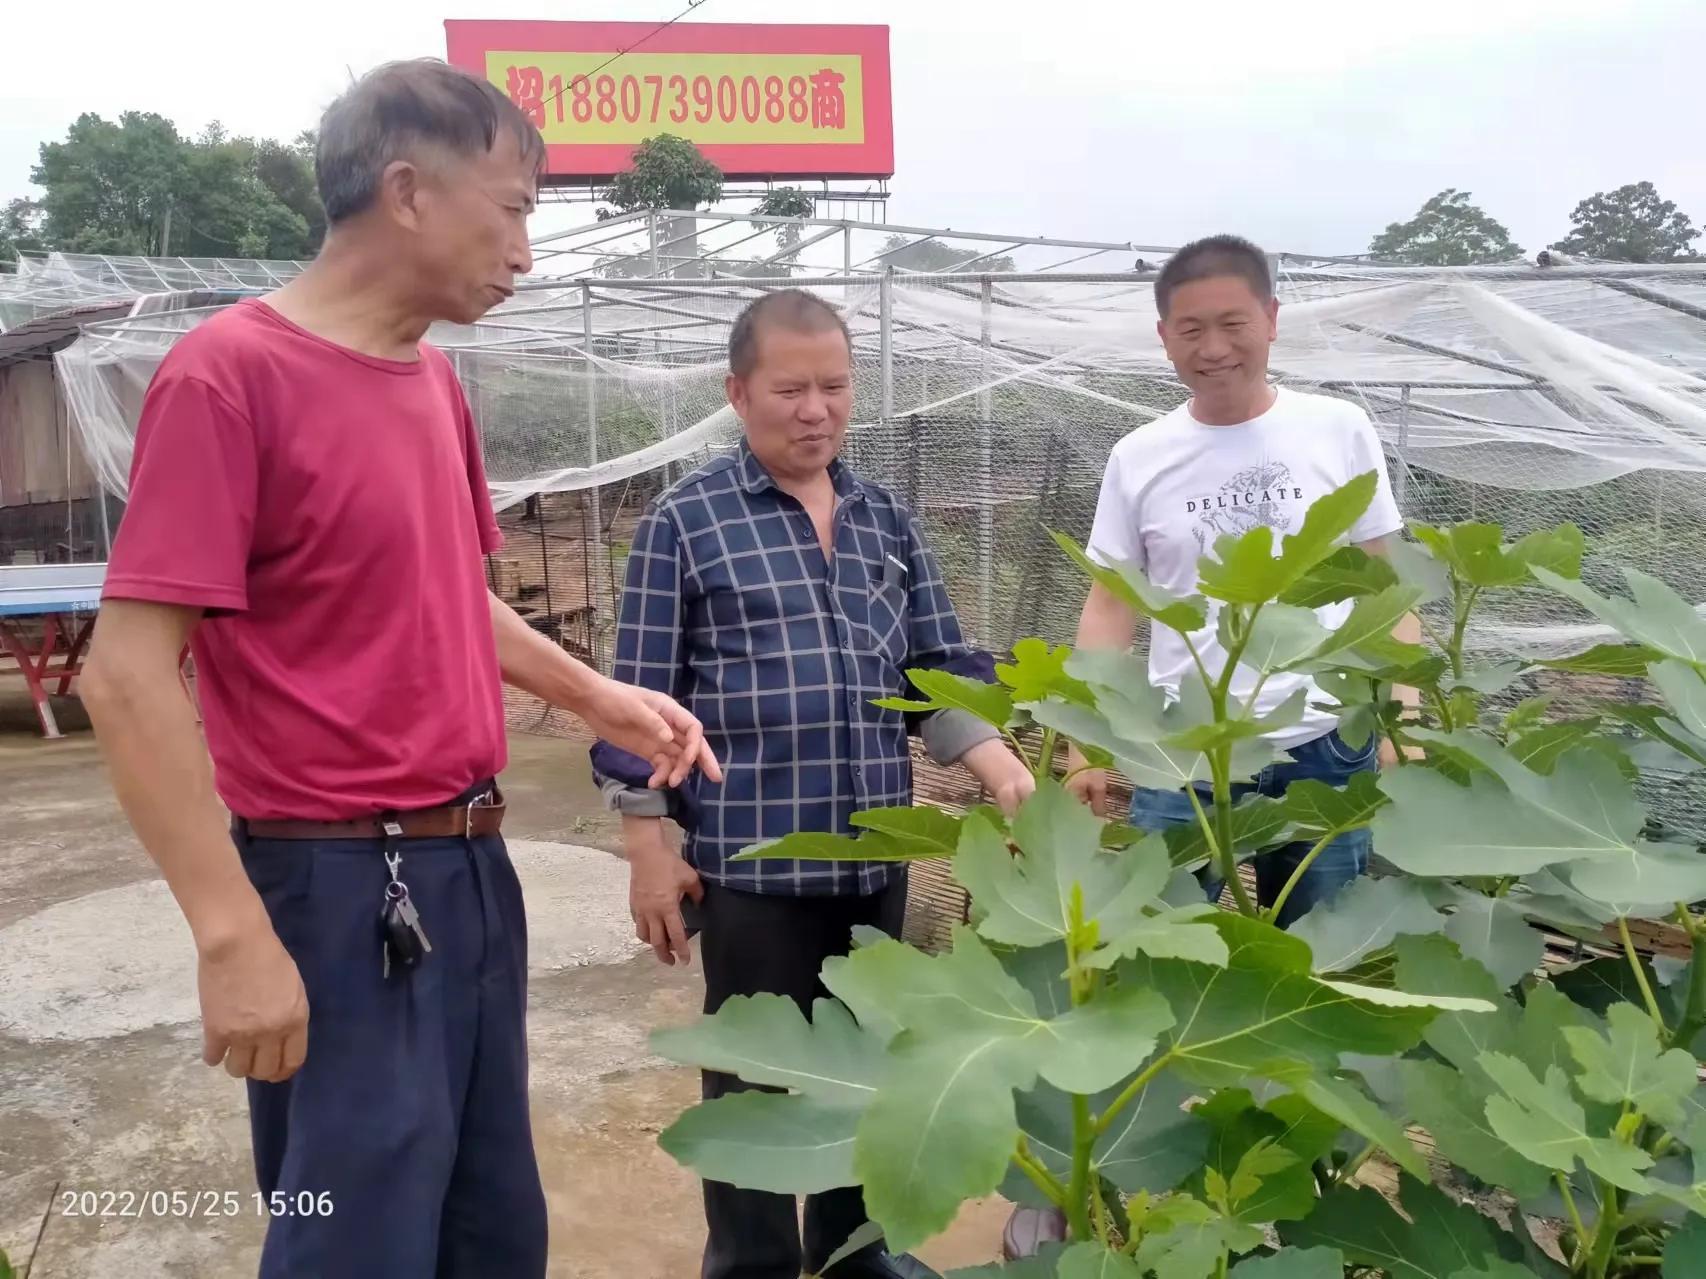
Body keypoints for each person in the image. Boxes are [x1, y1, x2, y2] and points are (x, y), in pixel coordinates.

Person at [80, 60, 719, 1279]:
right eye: (517, 206)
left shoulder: (432, 383)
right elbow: (123, 674)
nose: (526, 251)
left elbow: (452, 597)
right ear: (410, 191)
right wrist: (230, 936)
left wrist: (602, 699)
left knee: (488, 1226)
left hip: (470, 868)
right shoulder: (229, 377)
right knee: (353, 1231)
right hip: (332, 886)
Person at [590, 289, 1036, 1279]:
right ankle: (747, 1263)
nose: (814, 409)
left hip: (873, 860)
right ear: (737, 393)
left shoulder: (884, 519)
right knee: (756, 1085)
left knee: (870, 1075)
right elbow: (638, 705)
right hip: (750, 867)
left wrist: (997, 762)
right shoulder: (687, 521)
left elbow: (933, 673)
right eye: (789, 389)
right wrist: (645, 849)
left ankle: (853, 1256)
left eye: (832, 386)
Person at [1066, 234, 1417, 927]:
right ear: (1165, 337)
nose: (1214, 347)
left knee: (1318, 954)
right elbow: (1110, 602)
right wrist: (1085, 746)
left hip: (1324, 738)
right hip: (1186, 751)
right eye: (1191, 330)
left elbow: (1387, 580)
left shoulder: (1337, 430)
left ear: (1272, 320)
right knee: (1163, 945)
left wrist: (1402, 720)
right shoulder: (1138, 457)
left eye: (1234, 324)